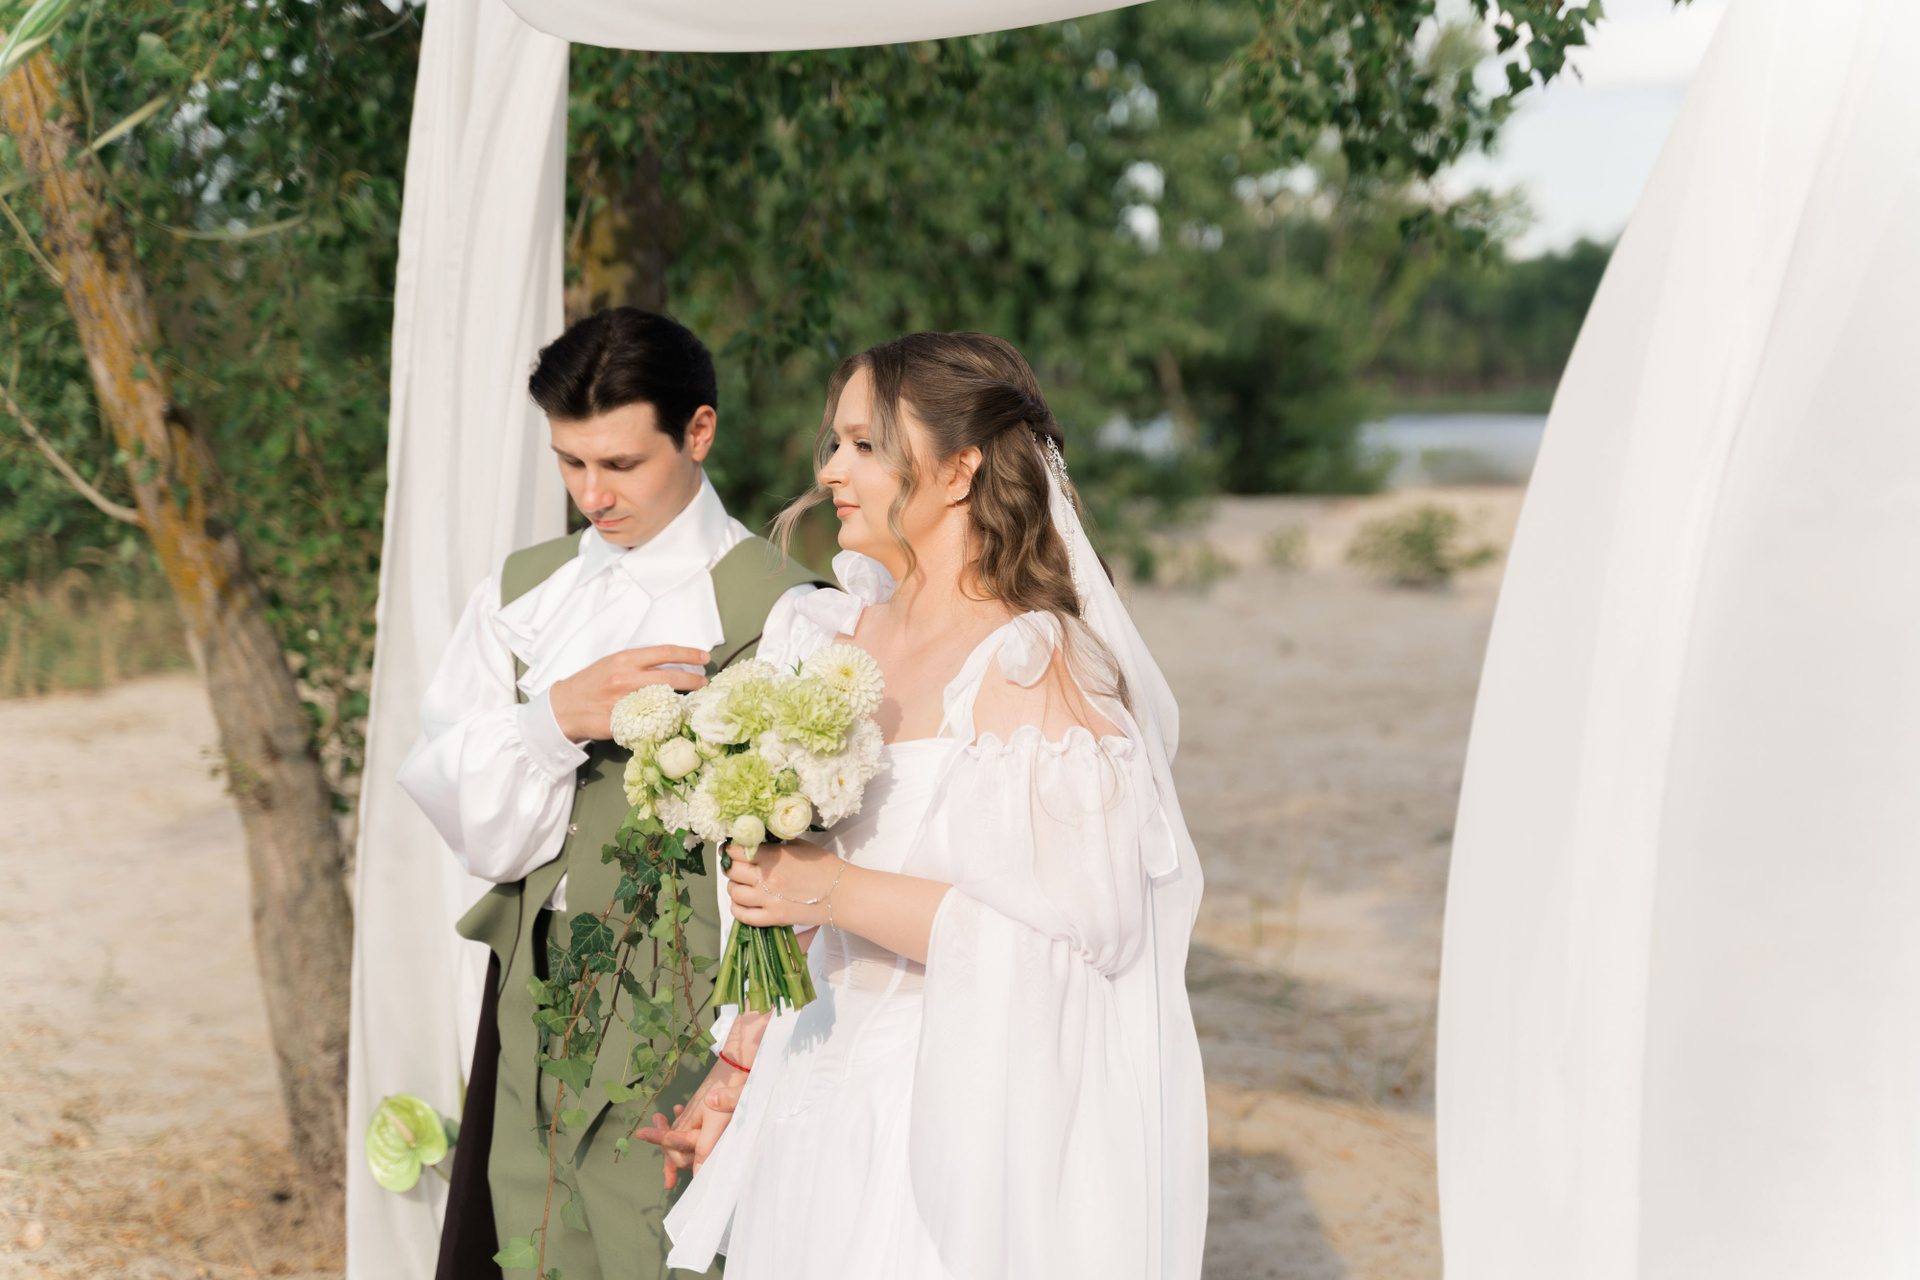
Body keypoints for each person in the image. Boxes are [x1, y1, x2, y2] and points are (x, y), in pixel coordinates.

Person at [644, 332, 1208, 1280]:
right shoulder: (827, 636)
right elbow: (798, 912)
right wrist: (738, 1067)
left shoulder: (1030, 666)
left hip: (939, 1121)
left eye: (867, 446)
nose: (831, 470)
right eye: (835, 443)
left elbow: (1079, 950)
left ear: (959, 469)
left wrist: (833, 890)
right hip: (810, 1094)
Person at [395, 307, 828, 1280]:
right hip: (532, 978)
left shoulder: (783, 610)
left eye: (621, 464)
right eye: (570, 462)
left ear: (698, 432)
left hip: (693, 996)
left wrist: (744, 1049)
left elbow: (815, 851)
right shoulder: (521, 595)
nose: (592, 494)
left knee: (661, 1247)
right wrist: (552, 719)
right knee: (533, 1241)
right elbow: (456, 803)